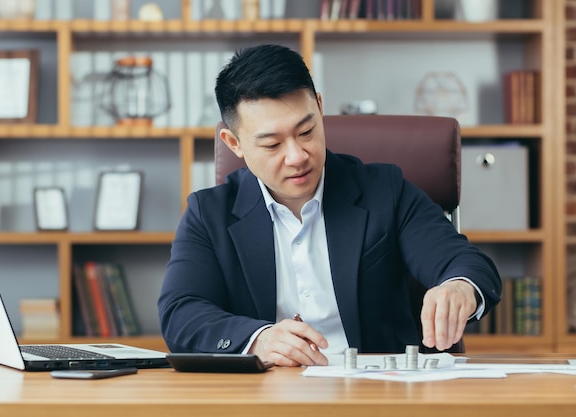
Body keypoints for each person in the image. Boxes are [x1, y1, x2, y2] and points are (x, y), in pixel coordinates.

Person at [158, 44, 501, 367]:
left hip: (378, 390)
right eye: (272, 144)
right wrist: (257, 339)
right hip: (266, 394)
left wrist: (459, 286)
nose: (296, 157)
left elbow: (466, 262)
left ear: (320, 108)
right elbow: (181, 313)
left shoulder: (385, 191)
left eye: (306, 132)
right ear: (234, 143)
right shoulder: (209, 214)